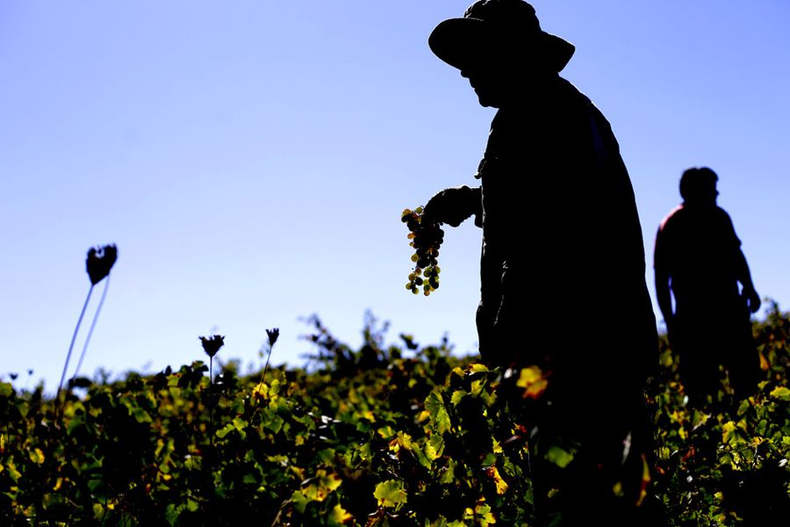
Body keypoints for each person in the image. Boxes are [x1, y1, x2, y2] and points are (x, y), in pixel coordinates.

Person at [422, 1, 661, 525]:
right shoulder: (546, 111)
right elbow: (539, 201)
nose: (464, 72)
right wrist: (472, 202)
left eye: (473, 57)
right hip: (587, 352)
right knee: (613, 504)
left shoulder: (544, 116)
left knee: (585, 507)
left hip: (577, 357)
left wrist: (515, 348)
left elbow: (552, 233)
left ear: (509, 55)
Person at [654, 167, 761, 405]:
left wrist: (750, 288)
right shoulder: (673, 224)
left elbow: (736, 256)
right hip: (693, 320)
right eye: (711, 189)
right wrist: (670, 321)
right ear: (694, 192)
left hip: (730, 312)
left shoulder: (720, 218)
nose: (716, 193)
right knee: (701, 387)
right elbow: (661, 277)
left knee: (746, 378)